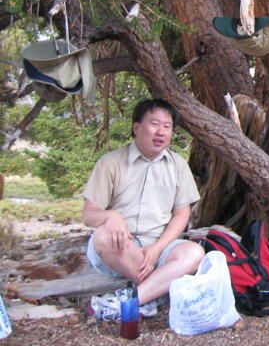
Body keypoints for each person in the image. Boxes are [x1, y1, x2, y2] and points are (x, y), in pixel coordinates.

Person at [82, 98, 205, 317]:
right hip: (122, 248)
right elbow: (89, 215)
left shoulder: (178, 165)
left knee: (194, 253)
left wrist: (157, 249)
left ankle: (134, 299)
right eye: (154, 124)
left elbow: (181, 214)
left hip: (159, 246)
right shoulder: (111, 162)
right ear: (136, 127)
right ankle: (155, 291)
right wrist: (111, 217)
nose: (161, 132)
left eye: (167, 127)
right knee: (101, 237)